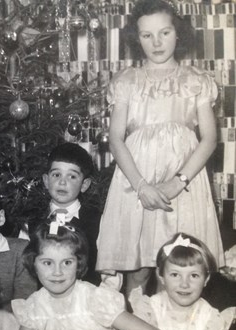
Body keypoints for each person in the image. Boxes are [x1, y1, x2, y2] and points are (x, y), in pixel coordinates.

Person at [96, 0, 224, 295]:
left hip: (183, 184)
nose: (156, 42)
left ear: (177, 34)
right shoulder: (127, 81)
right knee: (138, 269)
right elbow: (116, 139)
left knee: (180, 267)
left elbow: (208, 139)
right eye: (146, 35)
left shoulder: (196, 81)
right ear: (136, 37)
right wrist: (141, 186)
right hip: (136, 181)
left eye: (164, 33)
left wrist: (177, 183)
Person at [4, 222, 167, 330]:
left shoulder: (94, 298)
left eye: (67, 262)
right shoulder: (35, 305)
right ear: (33, 263)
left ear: (78, 264)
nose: (57, 272)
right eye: (47, 263)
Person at [129, 233, 236, 330]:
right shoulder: (150, 308)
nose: (184, 284)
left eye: (194, 275)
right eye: (175, 275)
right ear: (161, 276)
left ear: (206, 279)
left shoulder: (208, 316)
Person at [26, 142, 101, 286]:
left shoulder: (97, 221)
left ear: (84, 185)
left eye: (72, 176)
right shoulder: (32, 220)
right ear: (46, 181)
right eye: (56, 174)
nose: (62, 182)